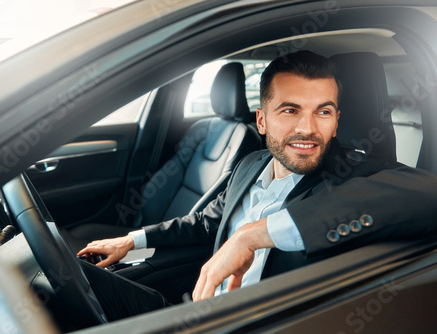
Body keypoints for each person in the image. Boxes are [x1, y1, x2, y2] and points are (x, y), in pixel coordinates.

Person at [77, 50, 437, 320]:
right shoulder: (250, 163)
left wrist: (254, 234)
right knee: (66, 280)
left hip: (260, 324)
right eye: (290, 110)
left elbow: (428, 194)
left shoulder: (359, 174)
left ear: (337, 120)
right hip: (197, 312)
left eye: (323, 112)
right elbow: (208, 221)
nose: (308, 129)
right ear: (262, 121)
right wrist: (132, 239)